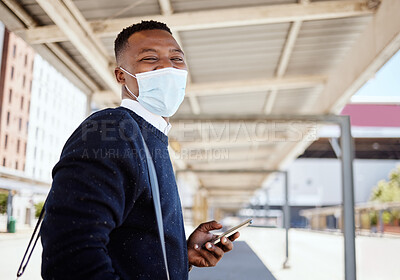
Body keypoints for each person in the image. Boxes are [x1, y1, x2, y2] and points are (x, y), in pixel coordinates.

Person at [40, 20, 239, 279]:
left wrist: (177, 255)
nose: (168, 66)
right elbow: (69, 254)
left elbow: (130, 243)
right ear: (121, 75)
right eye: (150, 58)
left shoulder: (151, 138)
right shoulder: (112, 130)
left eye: (177, 59)